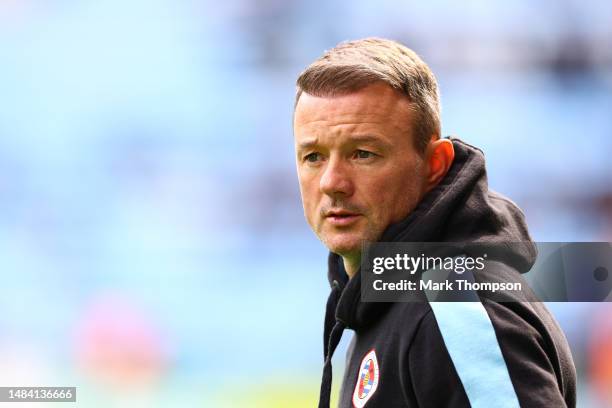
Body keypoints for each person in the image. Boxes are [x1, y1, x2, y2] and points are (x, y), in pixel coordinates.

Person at [293, 38, 576, 408]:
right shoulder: (389, 293)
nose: (332, 182)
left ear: (435, 164)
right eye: (313, 156)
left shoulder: (454, 308)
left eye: (363, 154)